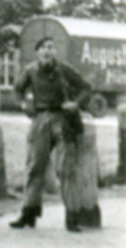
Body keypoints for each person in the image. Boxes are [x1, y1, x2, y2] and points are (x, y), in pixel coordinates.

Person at [9, 36, 92, 232]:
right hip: (40, 118)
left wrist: (76, 103)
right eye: (44, 48)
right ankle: (29, 213)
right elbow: (17, 90)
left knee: (66, 168)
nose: (48, 51)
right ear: (38, 52)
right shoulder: (30, 70)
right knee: (35, 165)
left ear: (55, 52)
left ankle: (71, 216)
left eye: (51, 48)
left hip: (62, 119)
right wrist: (22, 103)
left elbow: (85, 88)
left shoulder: (64, 69)